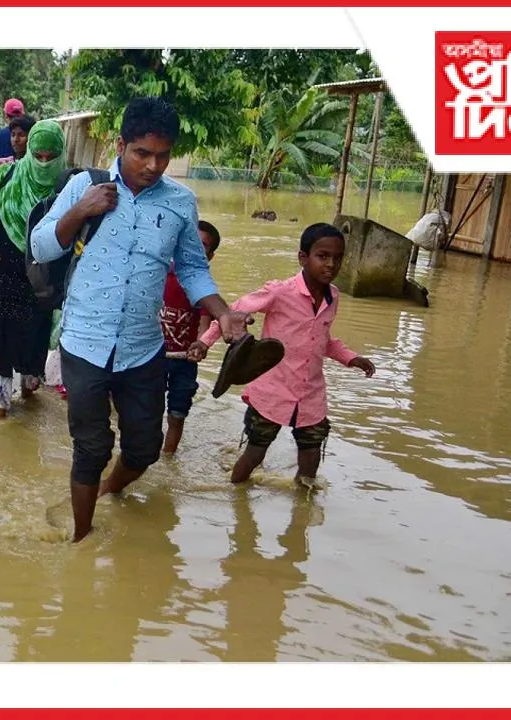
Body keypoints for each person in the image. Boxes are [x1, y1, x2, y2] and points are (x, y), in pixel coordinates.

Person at [29, 97, 251, 543]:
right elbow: (39, 247)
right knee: (91, 447)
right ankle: (81, 539)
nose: (153, 165)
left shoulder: (180, 203)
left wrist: (223, 313)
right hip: (85, 343)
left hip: (142, 347)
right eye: (142, 153)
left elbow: (191, 269)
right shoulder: (83, 187)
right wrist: (81, 210)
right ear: (120, 144)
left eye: (163, 155)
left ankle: (110, 490)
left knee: (145, 448)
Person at [197, 222, 377, 490]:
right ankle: (234, 497)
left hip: (310, 395)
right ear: (303, 258)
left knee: (311, 457)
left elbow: (322, 339)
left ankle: (301, 515)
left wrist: (350, 358)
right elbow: (231, 313)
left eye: (337, 258)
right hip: (272, 392)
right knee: (255, 453)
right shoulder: (280, 292)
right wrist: (204, 343)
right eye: (323, 256)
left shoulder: (333, 297)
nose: (331, 265)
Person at [0, 120, 67, 425]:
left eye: (51, 157)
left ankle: (29, 393)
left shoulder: (68, 187)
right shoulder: (4, 174)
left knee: (32, 342)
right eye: (39, 156)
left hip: (40, 283)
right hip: (2, 278)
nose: (44, 163)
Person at [160, 220, 222, 455]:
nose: (195, 248)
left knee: (177, 414)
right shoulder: (160, 274)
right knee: (146, 410)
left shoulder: (204, 288)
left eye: (203, 246)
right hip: (151, 357)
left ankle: (168, 457)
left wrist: (201, 345)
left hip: (184, 361)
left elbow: (205, 323)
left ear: (210, 255)